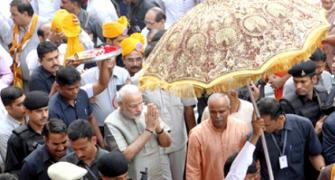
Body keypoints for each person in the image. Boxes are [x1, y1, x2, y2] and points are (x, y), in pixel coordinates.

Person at [104, 84, 172, 180]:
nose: (139, 109)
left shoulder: (147, 111)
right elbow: (124, 157)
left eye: (141, 103)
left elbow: (167, 143)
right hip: (135, 174)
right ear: (120, 104)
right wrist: (148, 130)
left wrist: (158, 128)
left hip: (158, 171)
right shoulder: (111, 122)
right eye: (133, 106)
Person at [254, 97, 325, 180]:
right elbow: (250, 162)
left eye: (267, 125)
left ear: (281, 119)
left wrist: (324, 171)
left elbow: (314, 154)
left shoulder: (303, 125)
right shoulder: (258, 133)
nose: (263, 128)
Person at [186, 93, 249, 180]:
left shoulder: (241, 128)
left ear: (229, 110)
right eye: (213, 112)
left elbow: (247, 160)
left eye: (221, 111)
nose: (217, 116)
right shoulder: (196, 134)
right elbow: (193, 170)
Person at [48, 66, 105, 146]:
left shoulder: (82, 94)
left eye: (77, 87)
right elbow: (60, 138)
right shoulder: (53, 109)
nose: (75, 92)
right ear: (59, 87)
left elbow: (91, 118)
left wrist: (101, 142)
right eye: (70, 89)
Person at [81, 54, 130, 134]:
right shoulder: (85, 77)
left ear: (115, 57)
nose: (106, 60)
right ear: (96, 60)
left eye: (109, 57)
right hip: (99, 127)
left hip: (123, 124)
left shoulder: (123, 73)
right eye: (102, 58)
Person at [5, 91, 49, 177]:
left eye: (46, 110)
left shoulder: (53, 130)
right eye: (39, 111)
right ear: (28, 112)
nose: (44, 115)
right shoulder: (17, 139)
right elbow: (12, 171)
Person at [9, 0, 46, 90]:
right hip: (22, 81)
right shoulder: (15, 28)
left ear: (25, 14)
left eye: (14, 14)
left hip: (41, 81)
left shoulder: (44, 25)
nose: (11, 17)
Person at [280, 60, 328, 127]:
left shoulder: (322, 93)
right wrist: (315, 132)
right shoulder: (287, 104)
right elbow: (292, 134)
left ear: (314, 79)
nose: (298, 86)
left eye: (303, 82)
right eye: (295, 82)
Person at [0, 87, 26, 172]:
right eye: (20, 104)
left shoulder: (31, 114)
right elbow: (10, 161)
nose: (25, 106)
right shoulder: (3, 131)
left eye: (25, 101)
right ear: (8, 108)